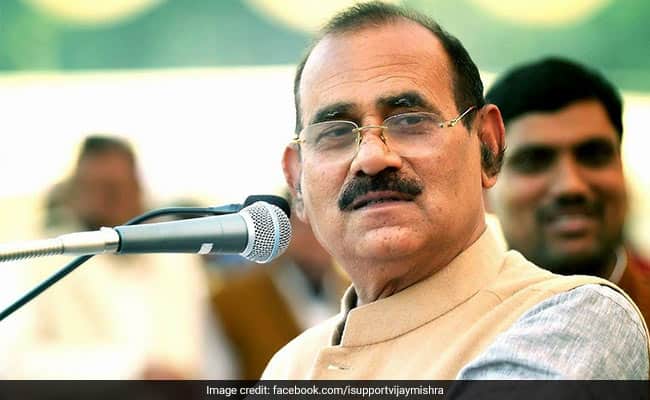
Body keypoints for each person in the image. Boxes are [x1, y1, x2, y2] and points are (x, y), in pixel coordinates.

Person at [261, 2, 649, 379]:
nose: (372, 158)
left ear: (488, 147)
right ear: (297, 181)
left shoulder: (574, 320)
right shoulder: (288, 366)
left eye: (409, 120)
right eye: (335, 132)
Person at [2, 135, 237, 379]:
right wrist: (130, 370)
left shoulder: (176, 259)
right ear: (75, 192)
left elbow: (212, 357)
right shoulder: (40, 257)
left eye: (121, 187)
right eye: (101, 188)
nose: (113, 199)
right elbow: (13, 363)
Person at [484, 57, 650, 326]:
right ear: (484, 189)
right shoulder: (455, 338)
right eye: (534, 160)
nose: (571, 186)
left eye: (593, 155)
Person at [209, 192, 348, 379]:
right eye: (306, 226)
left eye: (326, 224)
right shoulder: (231, 299)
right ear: (284, 229)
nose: (317, 237)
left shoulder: (358, 294)